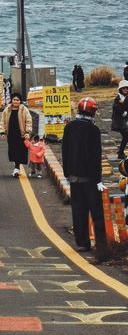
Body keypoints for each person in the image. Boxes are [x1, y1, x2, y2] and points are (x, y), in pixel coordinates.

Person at [61, 96, 107, 253]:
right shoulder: (93, 130)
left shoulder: (69, 127)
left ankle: (82, 243)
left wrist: (66, 173)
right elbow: (95, 156)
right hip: (90, 177)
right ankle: (101, 244)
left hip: (73, 175)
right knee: (96, 211)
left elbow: (64, 151)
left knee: (78, 210)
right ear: (92, 112)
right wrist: (98, 179)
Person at [0, 92, 32, 177]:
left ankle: (17, 168)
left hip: (21, 135)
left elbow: (28, 121)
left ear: (20, 101)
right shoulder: (7, 109)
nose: (16, 101)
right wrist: (2, 132)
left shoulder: (24, 109)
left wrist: (28, 132)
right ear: (11, 100)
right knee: (13, 151)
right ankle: (17, 167)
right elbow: (2, 121)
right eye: (14, 100)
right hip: (11, 134)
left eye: (18, 100)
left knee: (20, 151)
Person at [111, 81, 128, 159]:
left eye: (127, 88)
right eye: (124, 88)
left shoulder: (126, 96)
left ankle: (120, 151)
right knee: (126, 136)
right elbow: (115, 107)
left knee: (125, 136)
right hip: (118, 120)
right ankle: (120, 153)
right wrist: (123, 112)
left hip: (124, 120)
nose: (125, 89)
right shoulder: (118, 97)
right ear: (120, 89)